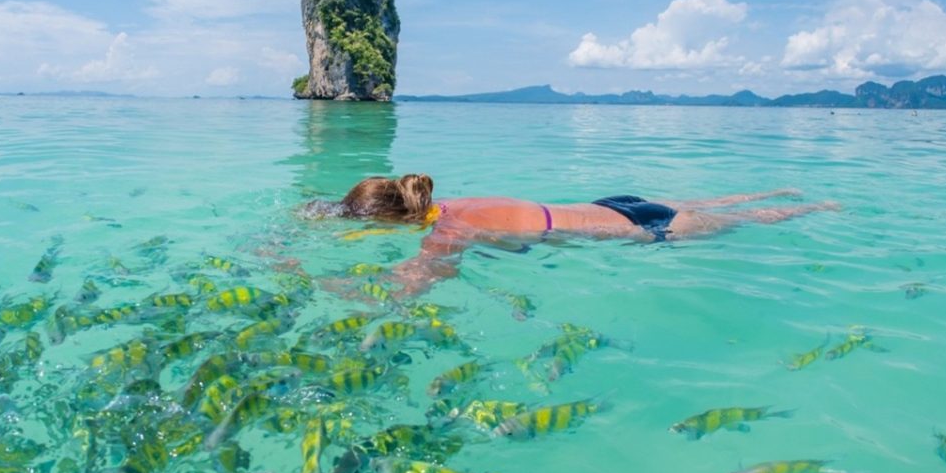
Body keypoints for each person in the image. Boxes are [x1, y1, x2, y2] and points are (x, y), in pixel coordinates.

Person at [333, 174, 838, 296]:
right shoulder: (454, 202)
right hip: (610, 203)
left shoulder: (450, 228)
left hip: (643, 227)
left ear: (393, 220)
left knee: (746, 224)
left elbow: (409, 285)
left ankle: (818, 206)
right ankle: (778, 190)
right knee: (711, 205)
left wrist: (333, 289)